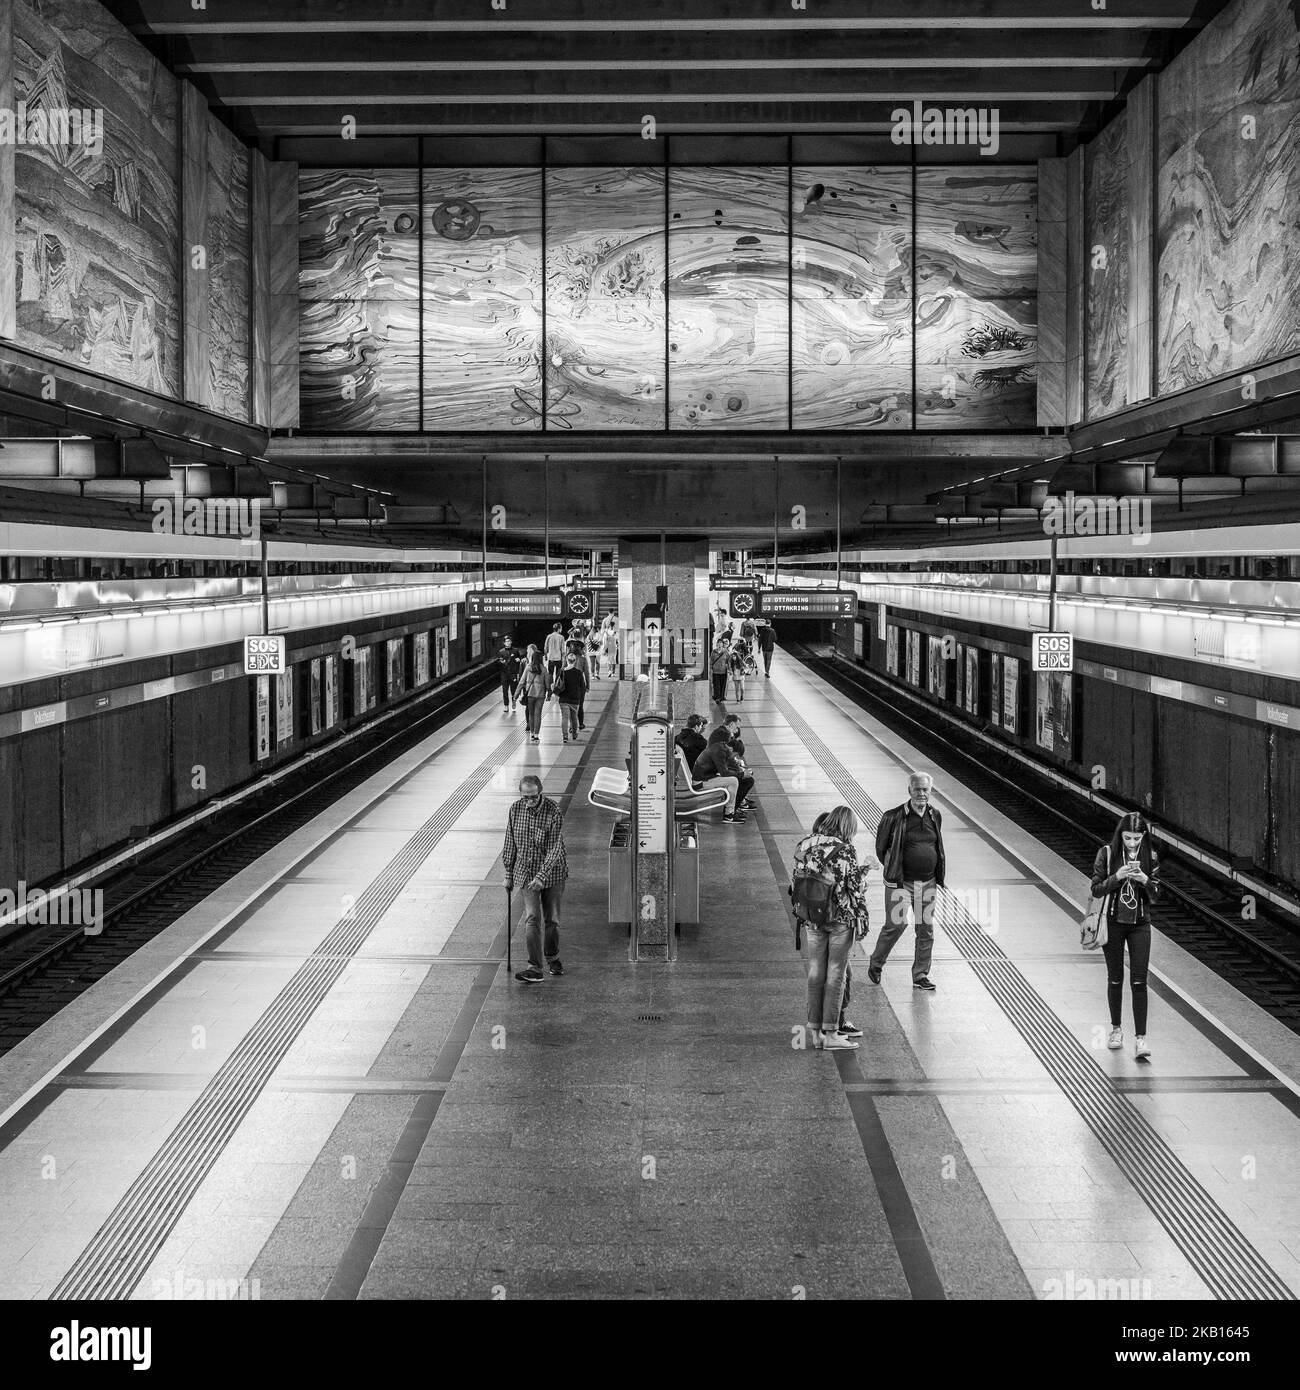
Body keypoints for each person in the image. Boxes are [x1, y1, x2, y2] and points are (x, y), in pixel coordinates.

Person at [792, 807, 873, 1050]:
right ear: (847, 827)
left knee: (815, 972)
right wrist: (866, 870)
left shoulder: (805, 844)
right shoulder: (844, 849)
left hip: (811, 916)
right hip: (839, 919)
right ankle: (831, 1034)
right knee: (835, 974)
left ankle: (815, 1032)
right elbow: (853, 887)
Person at [1091, 811, 1161, 1061]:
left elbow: (1156, 896)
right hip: (1113, 923)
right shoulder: (1107, 854)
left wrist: (1144, 880)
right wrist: (1117, 877)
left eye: (1137, 838)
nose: (1132, 843)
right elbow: (1096, 889)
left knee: (1140, 981)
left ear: (1143, 836)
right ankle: (1116, 1029)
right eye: (1128, 838)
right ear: (1120, 835)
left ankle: (1141, 1038)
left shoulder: (1150, 857)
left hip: (1140, 924)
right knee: (1115, 979)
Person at [869, 772, 946, 991]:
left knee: (925, 929)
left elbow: (936, 844)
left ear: (930, 791)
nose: (921, 793)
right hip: (901, 884)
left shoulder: (935, 815)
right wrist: (894, 870)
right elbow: (881, 848)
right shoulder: (893, 816)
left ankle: (920, 974)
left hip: (928, 883)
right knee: (896, 925)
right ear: (909, 790)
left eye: (925, 789)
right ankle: (876, 963)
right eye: (917, 789)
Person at [503, 774, 568, 982]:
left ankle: (553, 957)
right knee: (532, 918)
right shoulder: (515, 809)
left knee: (552, 920)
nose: (529, 801)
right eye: (525, 797)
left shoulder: (553, 811)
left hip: (553, 874)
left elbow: (554, 848)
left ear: (540, 792)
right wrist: (508, 873)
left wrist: (541, 876)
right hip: (525, 872)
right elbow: (510, 841)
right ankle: (535, 967)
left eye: (533, 797)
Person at [692, 726, 752, 824]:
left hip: (704, 778)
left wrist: (739, 771)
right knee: (733, 781)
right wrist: (741, 774)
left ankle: (731, 809)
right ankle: (729, 815)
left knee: (732, 779)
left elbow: (724, 768)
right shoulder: (719, 750)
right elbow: (724, 772)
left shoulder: (717, 748)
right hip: (700, 783)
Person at [514, 650, 551, 743]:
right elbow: (547, 683)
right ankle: (536, 736)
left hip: (530, 694)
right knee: (538, 714)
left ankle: (532, 734)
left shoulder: (528, 668)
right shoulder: (544, 669)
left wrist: (516, 695)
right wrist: (549, 693)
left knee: (531, 714)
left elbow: (522, 682)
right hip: (540, 695)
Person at [553, 652, 586, 743]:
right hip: (575, 699)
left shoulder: (561, 671)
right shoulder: (578, 672)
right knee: (574, 717)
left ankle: (565, 736)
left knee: (565, 718)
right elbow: (582, 687)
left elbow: (557, 683)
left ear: (567, 660)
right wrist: (580, 697)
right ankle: (574, 734)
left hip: (563, 698)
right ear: (575, 661)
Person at [566, 635, 592, 729]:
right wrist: (588, 685)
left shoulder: (567, 657)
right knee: (580, 705)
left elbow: (563, 670)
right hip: (580, 685)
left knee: (570, 706)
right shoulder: (583, 659)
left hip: (569, 685)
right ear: (580, 648)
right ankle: (580, 724)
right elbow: (587, 673)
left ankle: (571, 726)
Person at [496, 635, 522, 713]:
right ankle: (506, 705)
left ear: (511, 642)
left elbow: (519, 660)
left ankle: (513, 701)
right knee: (504, 690)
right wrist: (501, 662)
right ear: (504, 643)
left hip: (513, 673)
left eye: (509, 641)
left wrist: (518, 660)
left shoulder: (515, 651)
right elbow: (498, 663)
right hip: (504, 673)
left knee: (513, 690)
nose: (508, 643)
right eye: (506, 641)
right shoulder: (501, 652)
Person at [710, 635, 732, 704]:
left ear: (722, 644)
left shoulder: (726, 652)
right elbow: (711, 661)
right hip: (715, 672)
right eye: (718, 643)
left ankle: (721, 697)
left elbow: (729, 661)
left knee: (723, 685)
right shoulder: (713, 652)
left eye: (721, 643)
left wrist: (729, 669)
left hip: (723, 672)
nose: (719, 645)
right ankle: (718, 697)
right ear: (716, 644)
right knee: (716, 685)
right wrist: (710, 669)